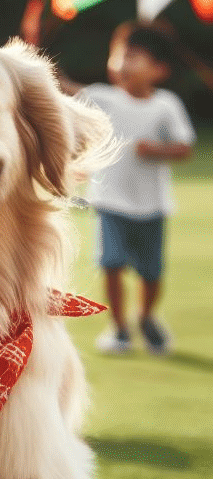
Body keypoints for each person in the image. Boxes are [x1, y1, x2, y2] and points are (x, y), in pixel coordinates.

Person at [69, 23, 195, 355]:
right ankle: (119, 327)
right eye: (119, 55)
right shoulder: (100, 97)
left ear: (159, 70)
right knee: (111, 263)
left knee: (151, 272)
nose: (123, 63)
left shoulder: (166, 105)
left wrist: (156, 150)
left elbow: (185, 147)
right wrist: (31, 53)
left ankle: (147, 316)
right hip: (110, 202)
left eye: (134, 57)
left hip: (152, 206)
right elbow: (62, 88)